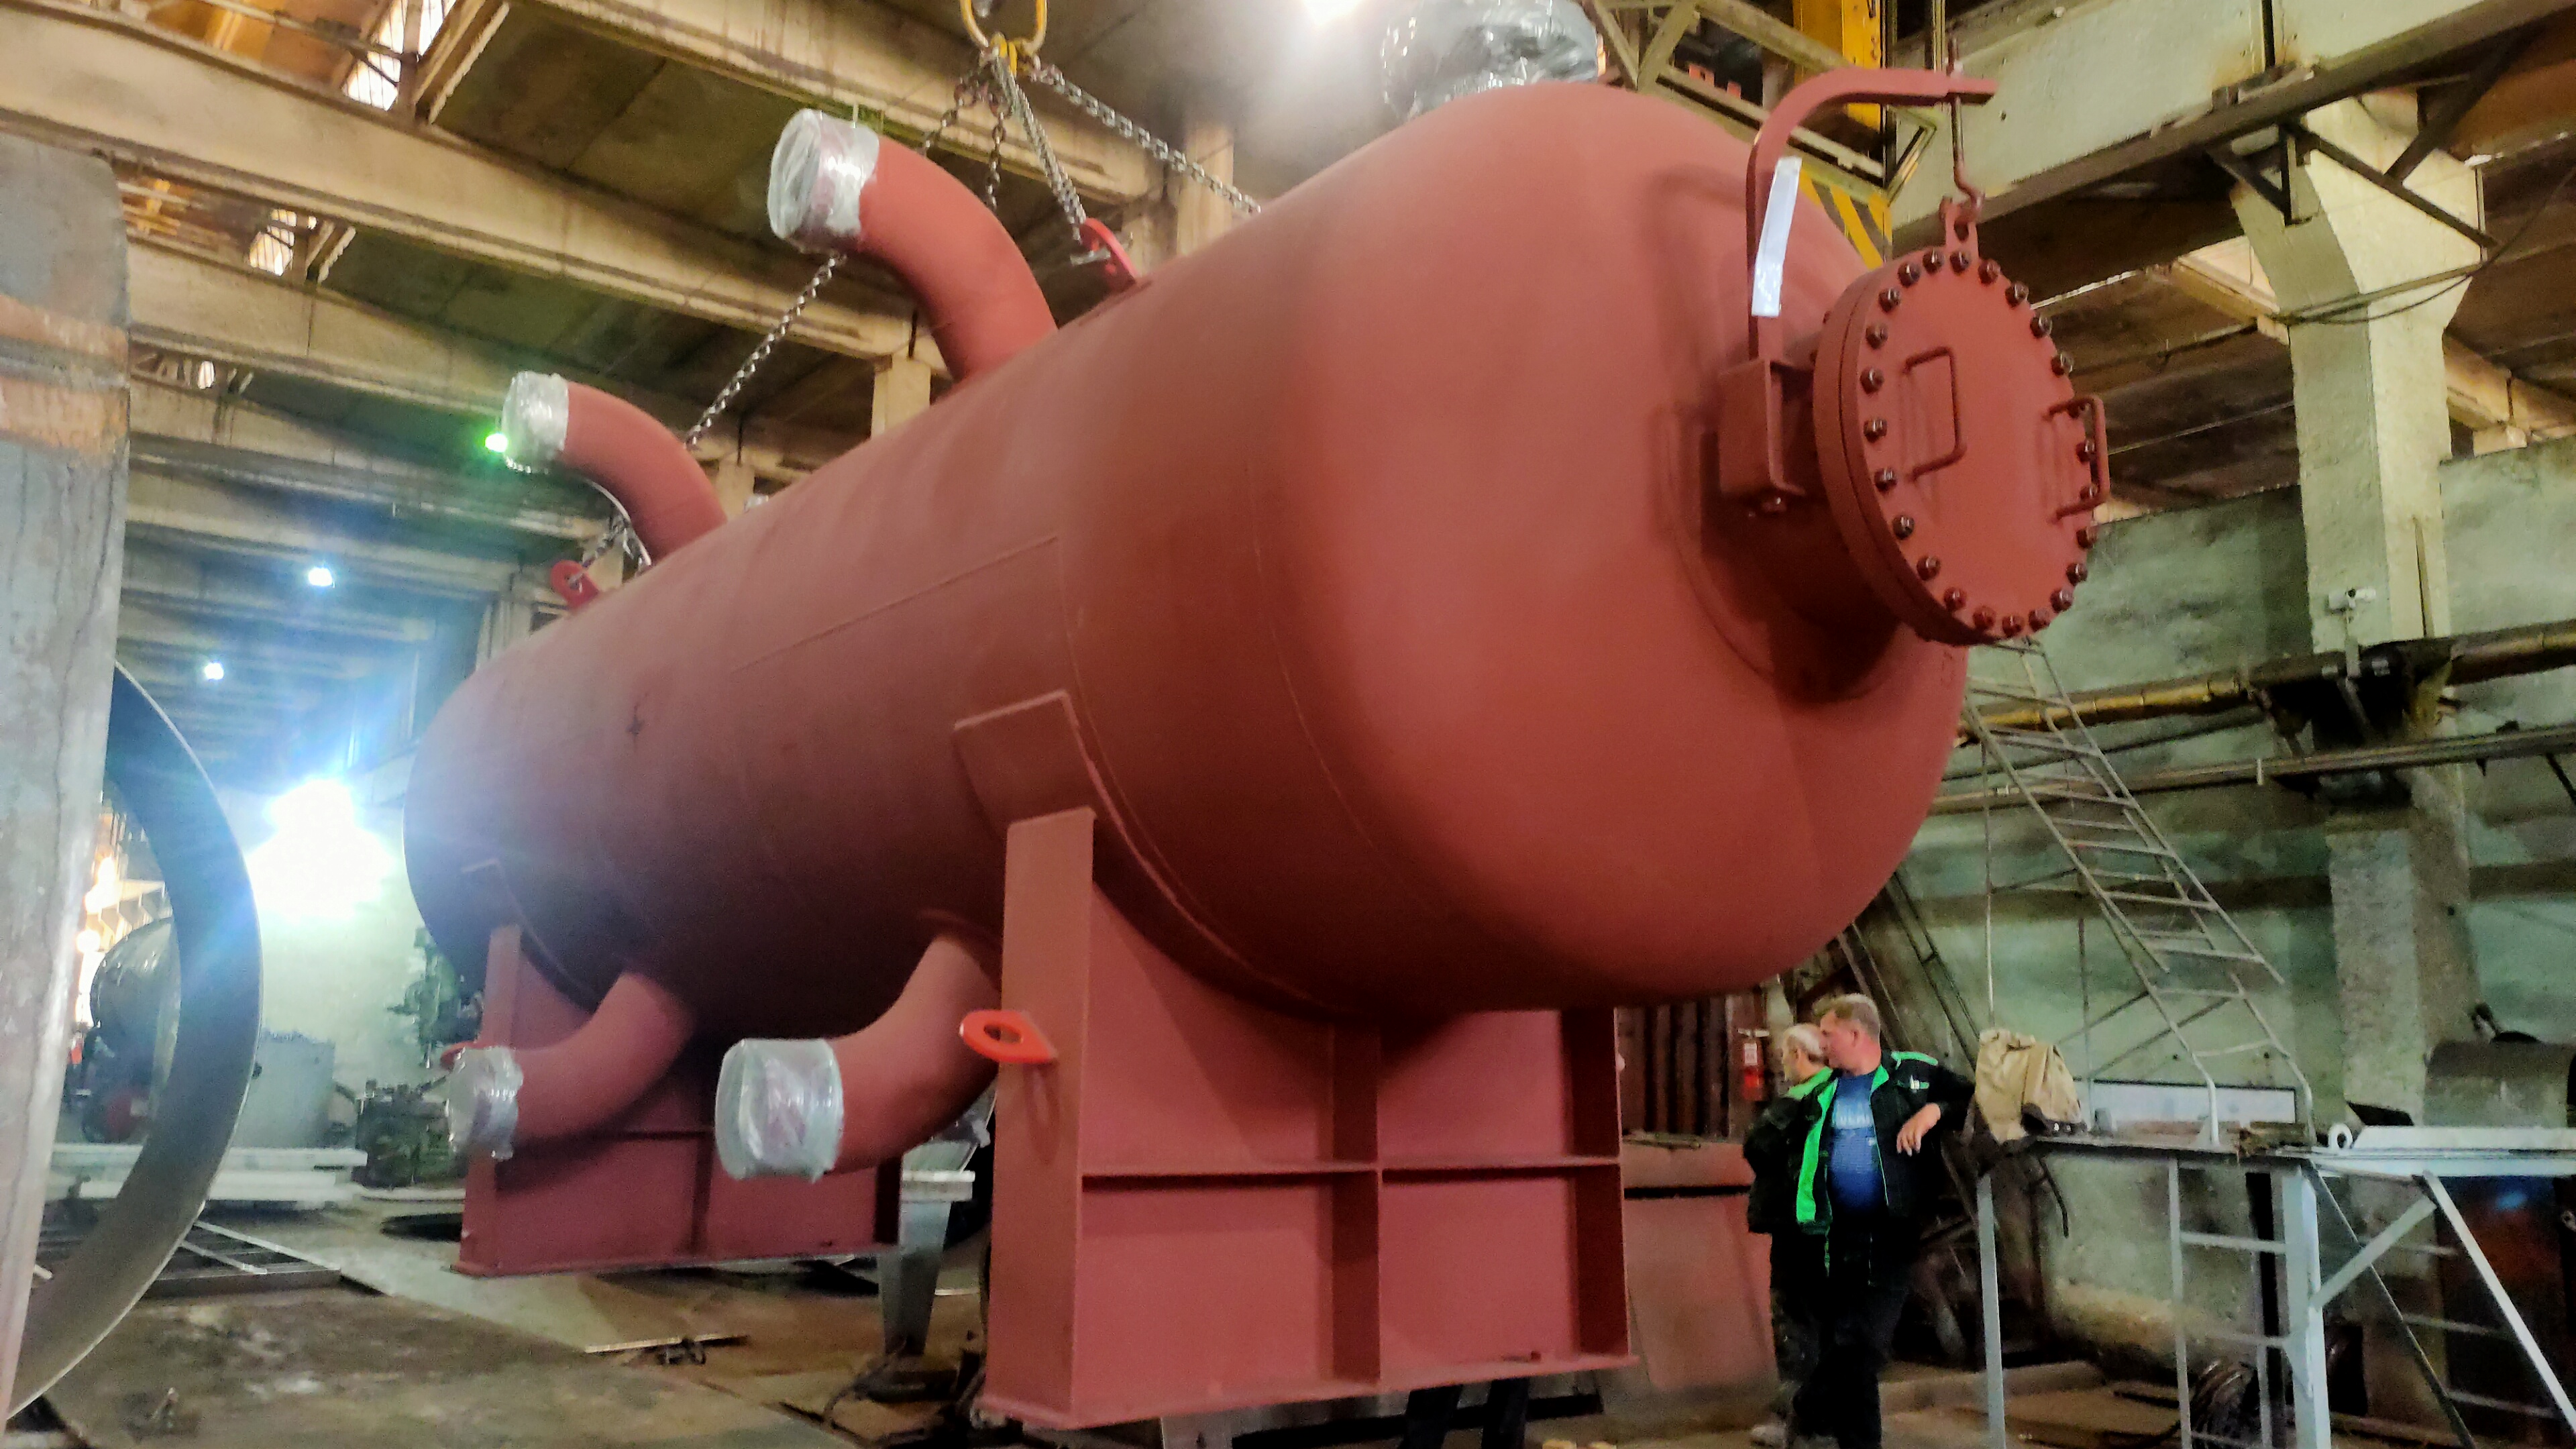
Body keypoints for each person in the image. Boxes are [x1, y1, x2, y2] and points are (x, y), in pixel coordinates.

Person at [1786, 994, 1976, 1449]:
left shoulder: (1912, 1073)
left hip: (1892, 1231)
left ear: (1855, 1034)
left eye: (1828, 1034)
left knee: (1866, 1343)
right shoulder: (1821, 1090)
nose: (1822, 1044)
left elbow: (1971, 1097)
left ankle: (1808, 1408)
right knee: (1849, 1345)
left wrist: (1933, 1111)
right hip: (1834, 1232)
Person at [1744, 1022, 1831, 1449]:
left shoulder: (1796, 1102)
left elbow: (1756, 1147)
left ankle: (1796, 1424)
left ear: (1799, 1055)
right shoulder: (1847, 1093)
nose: (1783, 1065)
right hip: (1838, 1229)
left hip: (1799, 1231)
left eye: (1784, 1056)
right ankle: (1833, 1423)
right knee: (1831, 1326)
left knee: (1795, 1327)